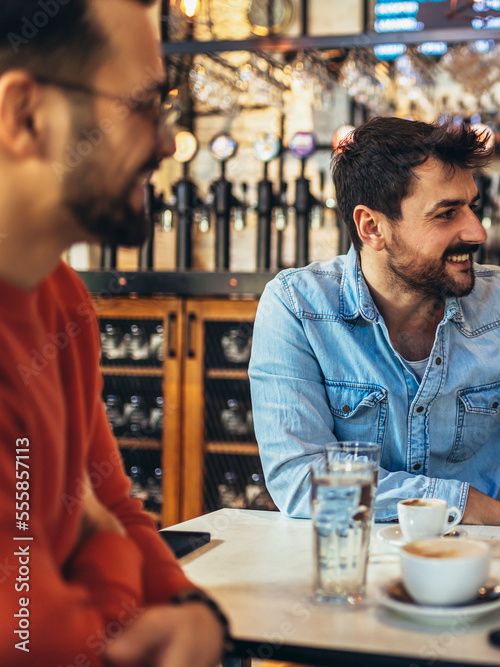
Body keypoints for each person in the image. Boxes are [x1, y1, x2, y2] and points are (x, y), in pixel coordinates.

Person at [249, 117, 500, 528]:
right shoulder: (298, 307)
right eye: (446, 214)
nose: (476, 231)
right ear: (372, 227)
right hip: (358, 560)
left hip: (495, 556)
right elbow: (298, 477)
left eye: (472, 207)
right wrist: (458, 502)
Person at [0, 1, 227, 665]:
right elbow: (37, 642)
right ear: (25, 117)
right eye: (144, 107)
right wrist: (103, 549)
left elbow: (115, 506)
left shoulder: (62, 297)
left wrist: (190, 610)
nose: (164, 143)